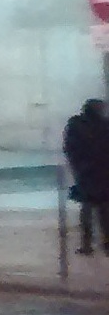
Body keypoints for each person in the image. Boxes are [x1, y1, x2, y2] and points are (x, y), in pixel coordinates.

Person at [64, 98, 109, 254]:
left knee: (88, 208)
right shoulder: (104, 125)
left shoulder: (76, 125)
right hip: (101, 172)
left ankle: (87, 244)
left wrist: (78, 165)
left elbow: (70, 148)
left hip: (87, 172)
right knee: (103, 209)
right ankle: (105, 242)